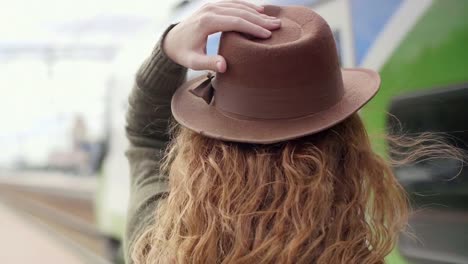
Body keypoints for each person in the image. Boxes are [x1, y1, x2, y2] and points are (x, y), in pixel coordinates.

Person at [124, 2, 462, 264]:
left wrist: (168, 47)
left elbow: (144, 138)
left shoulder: (162, 247)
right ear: (346, 153)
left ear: (204, 150)